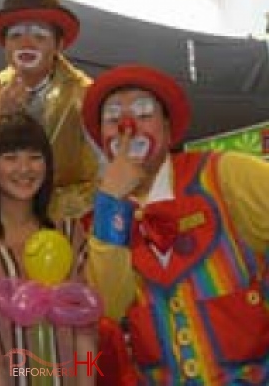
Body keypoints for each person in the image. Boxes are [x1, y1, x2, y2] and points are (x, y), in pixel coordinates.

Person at [82, 64, 269, 384]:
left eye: (143, 114)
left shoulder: (225, 176)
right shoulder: (105, 221)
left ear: (168, 129)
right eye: (113, 118)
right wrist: (111, 200)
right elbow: (109, 306)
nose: (127, 127)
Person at [0, 112, 99, 386]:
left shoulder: (68, 232)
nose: (25, 168)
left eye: (34, 156)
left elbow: (86, 327)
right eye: (10, 157)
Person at [0, 0, 99, 221]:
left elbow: (109, 169)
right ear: (5, 46)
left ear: (59, 46)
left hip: (76, 220)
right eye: (15, 36)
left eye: (39, 36)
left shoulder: (85, 94)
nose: (26, 44)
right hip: (9, 217)